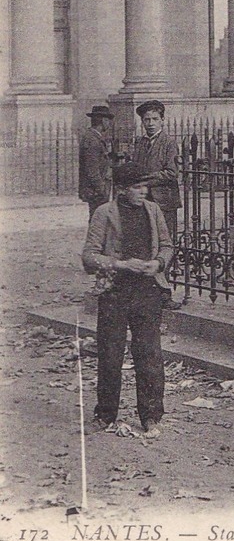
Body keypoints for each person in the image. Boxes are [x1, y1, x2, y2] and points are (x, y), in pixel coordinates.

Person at [82, 184, 173, 437]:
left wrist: (158, 263)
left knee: (149, 354)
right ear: (122, 189)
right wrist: (121, 265)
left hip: (147, 292)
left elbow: (167, 246)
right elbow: (89, 257)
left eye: (145, 186)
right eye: (137, 187)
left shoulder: (153, 211)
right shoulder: (104, 213)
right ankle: (106, 414)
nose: (143, 191)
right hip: (115, 293)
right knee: (110, 353)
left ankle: (151, 416)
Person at [115, 101, 181, 246]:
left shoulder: (169, 143)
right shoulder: (140, 142)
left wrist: (146, 180)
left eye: (155, 119)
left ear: (162, 120)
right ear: (142, 121)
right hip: (143, 199)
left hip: (163, 200)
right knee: (146, 238)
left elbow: (171, 173)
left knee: (165, 240)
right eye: (147, 120)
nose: (151, 123)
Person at [78, 104, 114, 220]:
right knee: (97, 220)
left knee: (98, 219)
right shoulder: (92, 140)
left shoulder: (94, 137)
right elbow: (92, 169)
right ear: (103, 121)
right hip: (96, 190)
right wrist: (101, 189)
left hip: (97, 189)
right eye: (108, 120)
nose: (109, 124)